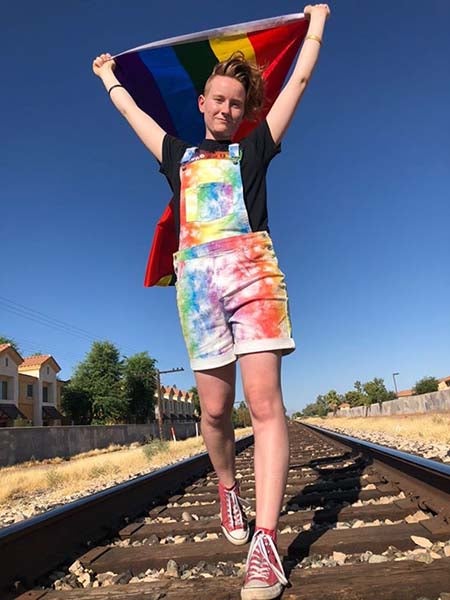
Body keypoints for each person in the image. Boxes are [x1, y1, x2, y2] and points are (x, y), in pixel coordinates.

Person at [93, 5, 330, 599]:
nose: (225, 110)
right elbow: (133, 114)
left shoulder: (257, 149)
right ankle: (228, 486)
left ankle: (267, 543)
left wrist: (317, 24)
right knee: (217, 413)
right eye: (217, 99)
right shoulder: (178, 156)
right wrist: (107, 77)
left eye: (236, 103)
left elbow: (297, 79)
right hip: (199, 291)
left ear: (246, 112)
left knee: (265, 403)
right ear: (201, 101)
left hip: (255, 278)